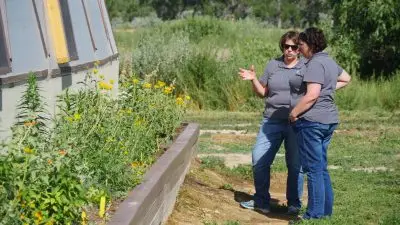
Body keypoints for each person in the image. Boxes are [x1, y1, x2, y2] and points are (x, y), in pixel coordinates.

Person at [238, 31, 304, 215]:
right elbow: (263, 92)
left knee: (295, 165)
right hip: (271, 121)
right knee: (259, 158)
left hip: (296, 122)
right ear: (282, 47)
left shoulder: (307, 66)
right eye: (286, 46)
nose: (289, 50)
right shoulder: (273, 65)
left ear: (299, 49)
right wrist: (253, 79)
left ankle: (294, 205)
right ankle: (261, 201)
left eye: (293, 47)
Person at [288, 27, 351, 221]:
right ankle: (325, 212)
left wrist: (294, 113)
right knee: (321, 167)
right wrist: (328, 90)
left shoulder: (315, 63)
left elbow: (312, 95)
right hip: (329, 121)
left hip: (312, 123)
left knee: (313, 169)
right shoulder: (329, 61)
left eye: (301, 45)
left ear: (311, 45)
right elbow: (346, 78)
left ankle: (313, 215)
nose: (299, 49)